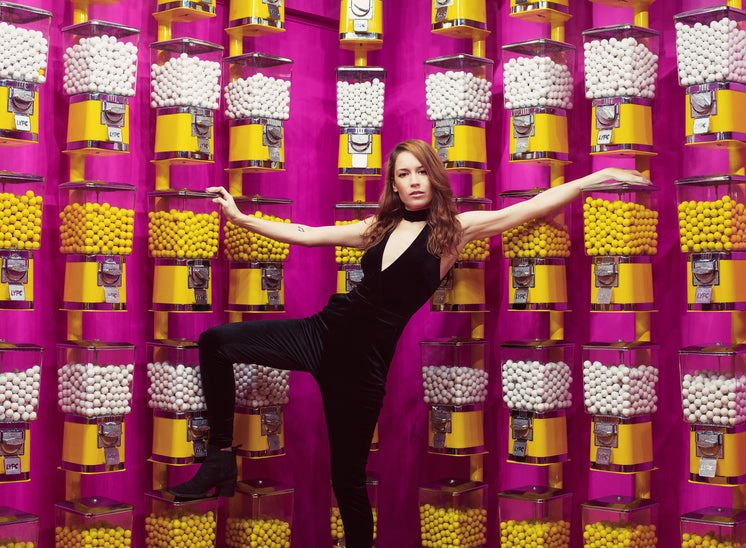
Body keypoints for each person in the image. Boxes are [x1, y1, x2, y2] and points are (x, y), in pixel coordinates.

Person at [169, 139, 649, 547]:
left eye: (421, 170)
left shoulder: (456, 231)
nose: (414, 180)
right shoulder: (377, 228)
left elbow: (528, 207)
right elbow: (306, 234)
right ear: (393, 184)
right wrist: (240, 218)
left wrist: (592, 179)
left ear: (433, 177)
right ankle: (219, 459)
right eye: (404, 173)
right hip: (322, 333)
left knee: (348, 481)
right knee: (215, 341)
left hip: (362, 368)